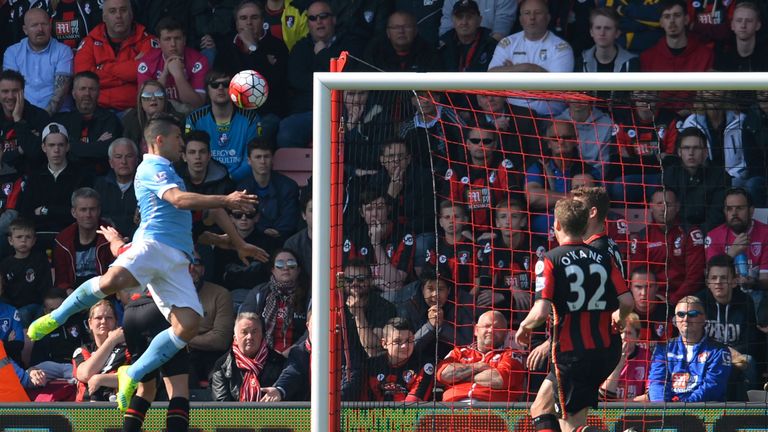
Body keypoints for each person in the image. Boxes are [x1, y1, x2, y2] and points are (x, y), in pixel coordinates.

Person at [27, 113, 265, 412]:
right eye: (179, 138)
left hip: (176, 259)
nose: (182, 144)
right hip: (153, 246)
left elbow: (194, 218)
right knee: (112, 282)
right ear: (160, 140)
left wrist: (234, 242)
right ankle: (57, 316)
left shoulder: (173, 173)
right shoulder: (151, 167)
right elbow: (180, 201)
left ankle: (132, 372)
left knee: (189, 325)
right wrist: (226, 200)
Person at [515, 198, 633, 432]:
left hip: (571, 354)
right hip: (606, 350)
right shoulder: (603, 257)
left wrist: (524, 327)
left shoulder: (549, 260)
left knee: (571, 426)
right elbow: (628, 301)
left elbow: (540, 311)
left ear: (556, 225)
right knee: (540, 408)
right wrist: (619, 318)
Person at [279, 0, 365, 148]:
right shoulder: (299, 49)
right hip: (307, 111)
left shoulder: (351, 45)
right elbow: (297, 81)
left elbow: (346, 78)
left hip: (342, 112)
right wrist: (329, 82)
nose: (318, 21)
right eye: (312, 18)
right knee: (286, 132)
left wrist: (323, 54)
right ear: (308, 24)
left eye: (323, 16)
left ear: (334, 20)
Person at [487, 0, 573, 116]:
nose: (532, 18)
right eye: (527, 13)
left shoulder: (561, 48)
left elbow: (557, 89)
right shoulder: (507, 43)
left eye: (537, 13)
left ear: (548, 18)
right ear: (521, 19)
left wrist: (511, 75)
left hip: (549, 117)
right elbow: (490, 78)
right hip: (512, 116)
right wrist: (527, 68)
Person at [696, 254, 761, 401]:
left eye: (724, 278)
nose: (718, 282)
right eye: (714, 278)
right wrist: (722, 352)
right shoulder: (699, 302)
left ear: (734, 281)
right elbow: (693, 339)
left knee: (749, 362)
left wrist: (731, 354)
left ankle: (749, 413)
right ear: (707, 282)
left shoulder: (745, 301)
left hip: (736, 357)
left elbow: (752, 341)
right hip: (706, 357)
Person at [211, 0, 290, 120]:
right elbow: (221, 82)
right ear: (237, 24)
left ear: (263, 21)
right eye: (243, 18)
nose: (249, 23)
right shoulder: (226, 48)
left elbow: (274, 85)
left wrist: (253, 48)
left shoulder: (277, 46)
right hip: (234, 111)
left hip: (267, 112)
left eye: (254, 17)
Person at [73, 0, 157, 111]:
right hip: (97, 111)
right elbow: (83, 79)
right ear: (104, 17)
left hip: (135, 111)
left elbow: (148, 74)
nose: (118, 16)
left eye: (123, 10)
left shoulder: (147, 40)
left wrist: (103, 68)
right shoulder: (90, 42)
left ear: (131, 14)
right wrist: (128, 76)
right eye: (112, 11)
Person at [647, 295, 731, 402]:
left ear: (704, 318)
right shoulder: (663, 349)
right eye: (681, 314)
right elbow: (657, 383)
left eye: (693, 314)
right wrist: (663, 409)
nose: (686, 319)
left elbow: (712, 388)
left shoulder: (719, 351)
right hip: (667, 413)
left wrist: (684, 407)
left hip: (704, 412)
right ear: (675, 320)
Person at [629, 188, 705, 305]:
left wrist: (673, 301)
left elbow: (695, 277)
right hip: (652, 299)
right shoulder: (640, 238)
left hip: (687, 299)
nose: (663, 208)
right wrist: (656, 298)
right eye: (659, 204)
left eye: (668, 204)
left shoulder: (691, 233)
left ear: (677, 207)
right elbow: (639, 277)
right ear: (650, 207)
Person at [639, 0, 714, 119]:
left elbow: (708, 99)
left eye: (677, 15)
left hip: (696, 121)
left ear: (686, 19)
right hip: (660, 123)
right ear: (661, 22)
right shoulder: (647, 57)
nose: (672, 21)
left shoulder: (705, 55)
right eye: (667, 17)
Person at [185, 69, 262, 182]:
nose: (220, 88)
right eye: (215, 85)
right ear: (207, 90)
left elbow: (253, 157)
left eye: (226, 84)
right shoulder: (194, 119)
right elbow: (190, 156)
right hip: (206, 182)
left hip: (241, 182)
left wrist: (230, 178)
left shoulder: (251, 119)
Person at [524, 120, 598, 235]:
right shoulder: (538, 166)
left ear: (575, 140)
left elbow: (584, 203)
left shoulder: (587, 171)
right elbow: (533, 197)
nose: (561, 141)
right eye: (555, 138)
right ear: (548, 143)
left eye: (567, 137)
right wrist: (569, 197)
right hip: (541, 237)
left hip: (576, 232)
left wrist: (551, 198)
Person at [437, 310, 525, 402]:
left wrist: (460, 377)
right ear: (476, 330)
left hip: (494, 410)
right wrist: (478, 366)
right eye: (487, 326)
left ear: (506, 334)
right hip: (453, 407)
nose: (491, 330)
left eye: (497, 328)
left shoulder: (511, 354)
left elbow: (500, 379)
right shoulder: (458, 352)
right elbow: (443, 375)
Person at [342, 189, 415, 298]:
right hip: (360, 294)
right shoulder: (354, 237)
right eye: (369, 209)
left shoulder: (404, 235)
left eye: (380, 208)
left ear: (388, 209)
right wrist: (375, 283)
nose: (375, 214)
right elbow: (347, 281)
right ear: (361, 213)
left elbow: (395, 283)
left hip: (394, 296)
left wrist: (376, 244)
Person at [18, 122, 89, 232]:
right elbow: (26, 214)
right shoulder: (34, 176)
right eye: (51, 145)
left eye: (60, 145)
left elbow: (81, 213)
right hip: (38, 236)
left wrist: (45, 210)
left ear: (67, 146)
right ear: (43, 147)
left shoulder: (81, 175)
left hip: (71, 235)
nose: (56, 150)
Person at [239, 248, 310, 355]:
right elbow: (245, 326)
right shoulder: (259, 293)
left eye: (291, 264)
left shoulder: (309, 294)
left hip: (299, 357)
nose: (285, 267)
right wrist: (266, 353)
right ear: (273, 270)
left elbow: (313, 329)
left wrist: (293, 351)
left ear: (298, 270)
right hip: (261, 355)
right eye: (279, 264)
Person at [3, 8, 73, 114]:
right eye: (34, 25)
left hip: (57, 115)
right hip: (23, 115)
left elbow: (60, 95)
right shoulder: (12, 52)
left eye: (44, 24)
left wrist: (41, 120)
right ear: (25, 30)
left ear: (50, 26)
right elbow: (11, 91)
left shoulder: (63, 51)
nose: (40, 29)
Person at [52, 71, 123, 176]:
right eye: (82, 89)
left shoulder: (110, 119)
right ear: (73, 93)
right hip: (68, 177)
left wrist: (72, 146)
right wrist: (96, 144)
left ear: (98, 93)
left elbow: (106, 151)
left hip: (100, 179)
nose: (87, 93)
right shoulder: (62, 121)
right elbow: (61, 152)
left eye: (92, 89)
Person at [705, 188, 768, 302]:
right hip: (726, 293)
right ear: (725, 212)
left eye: (739, 208)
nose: (734, 213)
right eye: (729, 209)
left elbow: (766, 280)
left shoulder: (766, 233)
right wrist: (731, 253)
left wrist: (752, 283)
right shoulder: (713, 236)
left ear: (751, 210)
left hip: (759, 292)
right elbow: (712, 278)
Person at [398, 269, 474, 361]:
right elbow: (405, 349)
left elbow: (468, 346)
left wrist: (442, 325)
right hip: (416, 362)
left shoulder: (460, 306)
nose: (435, 294)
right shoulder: (409, 307)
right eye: (430, 289)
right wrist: (430, 326)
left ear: (449, 291)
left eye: (440, 289)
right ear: (422, 289)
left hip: (454, 361)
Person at [663, 127, 729, 233]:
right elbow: (668, 211)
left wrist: (697, 236)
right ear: (679, 152)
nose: (691, 153)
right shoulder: (669, 175)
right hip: (677, 235)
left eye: (696, 148)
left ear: (706, 152)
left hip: (711, 235)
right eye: (686, 148)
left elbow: (717, 215)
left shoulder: (720, 176)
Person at [209, 312, 286, 401]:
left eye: (254, 332)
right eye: (244, 332)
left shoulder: (279, 362)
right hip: (234, 414)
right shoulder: (222, 365)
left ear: (262, 335)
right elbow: (222, 406)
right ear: (235, 339)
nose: (250, 337)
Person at [137, 17, 208, 113]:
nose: (173, 44)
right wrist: (165, 74)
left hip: (187, 115)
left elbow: (197, 104)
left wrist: (178, 75)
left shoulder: (198, 61)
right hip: (157, 113)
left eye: (177, 38)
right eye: (167, 39)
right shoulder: (147, 62)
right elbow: (145, 103)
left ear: (184, 40)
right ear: (158, 42)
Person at [237, 138, 301, 242]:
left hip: (284, 239)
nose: (262, 161)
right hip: (253, 240)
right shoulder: (242, 188)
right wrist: (263, 230)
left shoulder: (289, 186)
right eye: (258, 157)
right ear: (249, 160)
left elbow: (291, 216)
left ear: (272, 159)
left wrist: (277, 231)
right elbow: (243, 217)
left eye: (266, 156)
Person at [53, 188, 115, 293]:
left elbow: (116, 276)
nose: (88, 215)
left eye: (92, 209)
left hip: (104, 293)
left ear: (99, 210)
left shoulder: (111, 237)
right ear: (73, 212)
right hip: (73, 294)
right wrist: (68, 291)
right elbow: (61, 280)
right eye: (83, 210)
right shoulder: (62, 240)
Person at [574, 7, 639, 104]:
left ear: (617, 33)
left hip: (620, 118)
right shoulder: (581, 61)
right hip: (590, 117)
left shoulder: (631, 63)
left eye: (607, 28)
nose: (602, 33)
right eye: (598, 28)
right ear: (591, 32)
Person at [366, 317, 434, 401]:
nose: (404, 346)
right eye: (397, 341)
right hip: (375, 413)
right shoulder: (371, 364)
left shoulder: (424, 365)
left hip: (407, 413)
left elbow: (413, 405)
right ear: (384, 343)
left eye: (409, 340)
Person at [72, 300, 128, 402]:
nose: (103, 321)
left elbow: (134, 377)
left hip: (117, 408)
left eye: (109, 318)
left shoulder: (127, 349)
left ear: (116, 321)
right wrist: (111, 341)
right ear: (90, 323)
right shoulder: (83, 350)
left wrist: (100, 379)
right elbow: (85, 374)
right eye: (98, 318)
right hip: (85, 411)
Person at [0, 218, 52, 327]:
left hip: (38, 305)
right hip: (12, 308)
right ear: (10, 240)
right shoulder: (5, 264)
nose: (23, 240)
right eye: (19, 237)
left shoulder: (40, 260)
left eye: (28, 237)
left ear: (34, 240)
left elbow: (46, 285)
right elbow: (3, 290)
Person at [0, 69, 50, 172]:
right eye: (5, 91)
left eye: (15, 91)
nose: (10, 96)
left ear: (23, 91)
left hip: (32, 177)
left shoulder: (40, 116)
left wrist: (18, 119)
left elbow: (36, 154)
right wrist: (21, 149)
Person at [363, 10, 441, 73]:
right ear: (388, 32)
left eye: (407, 27)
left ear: (416, 31)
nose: (401, 31)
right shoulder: (375, 52)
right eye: (395, 27)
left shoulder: (429, 52)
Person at [599, 313, 651, 401]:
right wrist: (620, 362)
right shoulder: (603, 356)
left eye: (628, 333)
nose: (623, 337)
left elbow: (650, 396)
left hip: (635, 411)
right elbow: (603, 397)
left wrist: (620, 404)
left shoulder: (647, 357)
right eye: (620, 332)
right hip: (605, 413)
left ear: (638, 336)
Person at [93, 138, 139, 237]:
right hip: (105, 241)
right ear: (111, 162)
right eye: (118, 157)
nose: (124, 161)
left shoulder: (144, 186)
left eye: (129, 156)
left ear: (136, 160)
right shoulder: (100, 186)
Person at [121, 80, 182, 154]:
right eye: (147, 95)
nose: (153, 98)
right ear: (140, 101)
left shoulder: (178, 121)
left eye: (158, 94)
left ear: (165, 99)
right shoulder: (130, 120)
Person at [438, 0, 499, 73]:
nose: (464, 22)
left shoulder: (492, 45)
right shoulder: (443, 46)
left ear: (479, 20)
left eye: (469, 17)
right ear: (453, 20)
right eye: (460, 17)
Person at [175, 130, 235, 196]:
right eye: (192, 152)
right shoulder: (174, 176)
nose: (197, 157)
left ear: (209, 155)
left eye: (202, 152)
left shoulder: (223, 180)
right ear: (184, 157)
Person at [714, 2, 767, 73]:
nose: (743, 25)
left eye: (749, 21)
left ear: (758, 25)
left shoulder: (765, 59)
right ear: (732, 25)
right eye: (739, 20)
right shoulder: (722, 60)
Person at [627, 268, 674, 345]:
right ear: (630, 287)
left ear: (656, 287)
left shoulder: (669, 313)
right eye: (638, 287)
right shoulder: (621, 313)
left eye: (649, 286)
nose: (643, 293)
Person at [440, 0, 515, 41]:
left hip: (489, 49)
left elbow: (500, 33)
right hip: (456, 48)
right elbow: (445, 30)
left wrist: (480, 53)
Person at [283, 194, 312, 280]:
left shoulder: (342, 242)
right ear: (304, 215)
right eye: (312, 210)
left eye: (322, 209)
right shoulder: (292, 244)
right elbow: (287, 276)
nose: (318, 214)